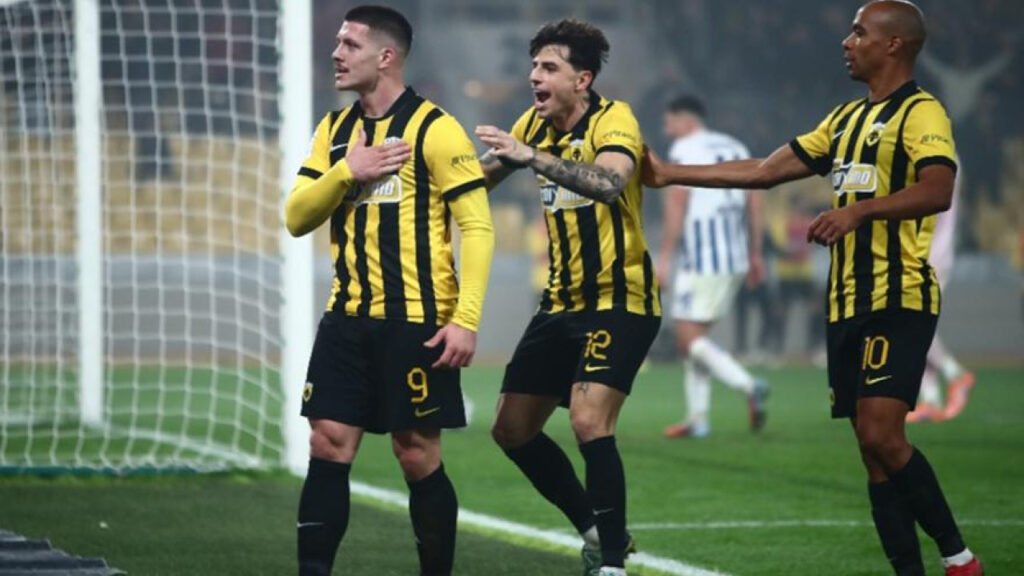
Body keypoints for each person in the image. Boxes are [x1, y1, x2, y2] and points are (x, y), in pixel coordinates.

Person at [643, 2, 982, 575]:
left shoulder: (922, 112)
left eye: (859, 32)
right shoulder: (844, 119)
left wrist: (858, 212)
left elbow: (938, 189)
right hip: (845, 302)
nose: (846, 42)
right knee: (871, 454)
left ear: (893, 44)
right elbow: (764, 171)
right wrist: (668, 173)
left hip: (897, 296)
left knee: (884, 436)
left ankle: (961, 560)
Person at [284, 6, 495, 575]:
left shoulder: (435, 128)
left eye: (350, 44)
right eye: (337, 42)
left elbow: (477, 226)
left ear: (385, 56)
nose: (336, 53)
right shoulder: (334, 132)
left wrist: (466, 318)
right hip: (346, 316)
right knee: (327, 442)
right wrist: (347, 172)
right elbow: (296, 217)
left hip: (416, 321)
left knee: (415, 452)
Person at [475, 19, 660, 576]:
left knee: (588, 421)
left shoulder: (614, 118)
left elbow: (609, 183)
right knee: (511, 430)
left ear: (582, 80)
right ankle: (599, 533)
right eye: (534, 66)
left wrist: (531, 156)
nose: (535, 76)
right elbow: (483, 179)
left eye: (549, 67)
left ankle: (612, 566)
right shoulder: (532, 124)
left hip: (619, 299)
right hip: (560, 303)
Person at [656, 94, 769, 439]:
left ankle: (748, 384)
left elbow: (677, 203)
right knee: (696, 341)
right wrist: (756, 252)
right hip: (734, 256)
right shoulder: (736, 146)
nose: (666, 130)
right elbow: (756, 199)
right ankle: (698, 419)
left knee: (687, 338)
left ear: (686, 120)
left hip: (703, 258)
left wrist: (664, 257)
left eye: (669, 122)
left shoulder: (685, 149)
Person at [907, 166, 976, 423]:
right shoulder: (943, 154)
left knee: (912, 321)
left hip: (929, 251)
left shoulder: (937, 157)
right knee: (919, 321)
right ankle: (931, 399)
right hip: (929, 249)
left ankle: (955, 373)